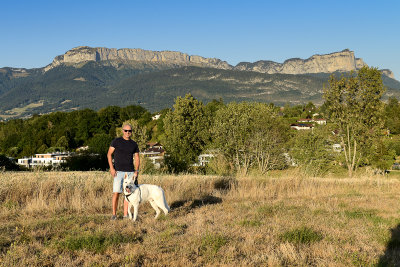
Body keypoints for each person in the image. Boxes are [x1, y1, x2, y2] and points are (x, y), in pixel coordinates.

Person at [107, 123, 140, 220]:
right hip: (118, 172)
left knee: (128, 194)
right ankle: (114, 214)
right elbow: (109, 154)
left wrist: (136, 171)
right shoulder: (116, 141)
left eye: (129, 131)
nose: (127, 132)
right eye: (126, 130)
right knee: (116, 192)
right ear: (122, 131)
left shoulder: (134, 144)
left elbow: (137, 157)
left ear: (131, 132)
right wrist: (112, 168)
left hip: (130, 172)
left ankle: (126, 215)